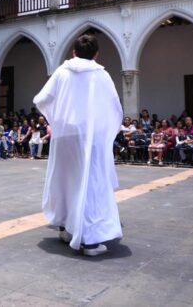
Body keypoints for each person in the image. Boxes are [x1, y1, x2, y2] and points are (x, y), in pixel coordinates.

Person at [33, 34, 123, 257]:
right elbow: (115, 107)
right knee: (89, 183)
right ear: (96, 54)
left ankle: (65, 228)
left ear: (73, 52)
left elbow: (41, 100)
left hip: (65, 136)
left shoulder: (62, 72)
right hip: (89, 137)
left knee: (65, 180)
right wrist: (104, 130)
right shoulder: (101, 75)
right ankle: (90, 241)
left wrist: (59, 119)